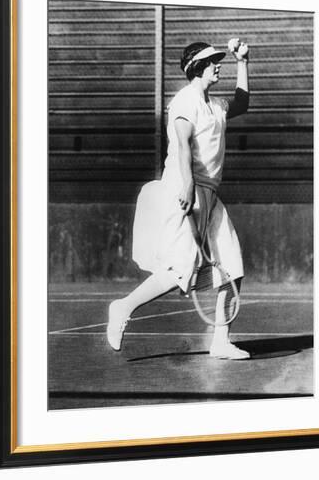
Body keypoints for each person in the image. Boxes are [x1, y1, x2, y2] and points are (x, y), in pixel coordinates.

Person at [106, 39, 250, 359]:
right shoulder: (185, 101)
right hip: (183, 189)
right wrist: (187, 187)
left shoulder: (216, 106)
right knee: (180, 269)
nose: (218, 65)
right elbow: (183, 146)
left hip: (210, 193)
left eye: (219, 60)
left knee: (232, 265)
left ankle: (221, 342)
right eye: (213, 61)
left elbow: (241, 104)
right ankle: (123, 307)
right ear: (197, 67)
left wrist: (244, 62)